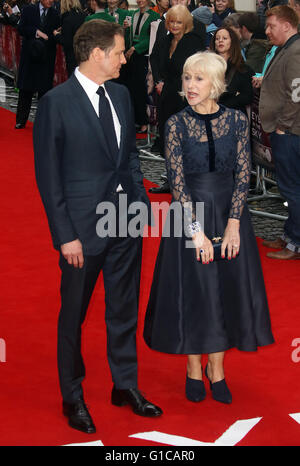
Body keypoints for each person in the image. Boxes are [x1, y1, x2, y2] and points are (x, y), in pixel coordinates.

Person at [33, 19, 162, 434]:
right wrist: (64, 235)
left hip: (126, 222)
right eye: (121, 52)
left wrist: (140, 205)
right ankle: (73, 395)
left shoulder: (122, 95)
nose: (126, 59)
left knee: (123, 310)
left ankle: (125, 385)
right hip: (82, 232)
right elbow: (48, 177)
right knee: (73, 315)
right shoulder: (56, 102)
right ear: (97, 54)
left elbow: (129, 158)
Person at [144, 51, 274, 404]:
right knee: (196, 292)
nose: (190, 85)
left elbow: (242, 175)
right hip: (190, 214)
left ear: (216, 83)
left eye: (198, 79)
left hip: (231, 214)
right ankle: (192, 367)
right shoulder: (176, 124)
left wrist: (233, 224)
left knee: (224, 292)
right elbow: (178, 181)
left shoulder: (235, 120)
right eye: (187, 78)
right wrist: (196, 231)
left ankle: (216, 370)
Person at [148, 5, 206, 194]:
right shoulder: (165, 41)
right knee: (168, 137)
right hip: (167, 96)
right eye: (171, 21)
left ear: (186, 23)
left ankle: (188, 182)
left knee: (185, 139)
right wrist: (158, 80)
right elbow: (154, 59)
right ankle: (171, 180)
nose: (174, 25)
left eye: (179, 22)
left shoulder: (193, 41)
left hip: (185, 98)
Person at [259, 5, 300, 259]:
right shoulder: (286, 48)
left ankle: (295, 243)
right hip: (285, 132)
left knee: (292, 188)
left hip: (291, 133)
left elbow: (297, 95)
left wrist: (283, 126)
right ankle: (289, 233)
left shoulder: (295, 51)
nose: (267, 31)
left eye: (271, 26)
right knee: (288, 188)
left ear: (286, 25)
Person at [14, 0, 60, 129]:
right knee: (25, 90)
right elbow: (21, 28)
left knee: (44, 91)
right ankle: (21, 120)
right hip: (30, 55)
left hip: (46, 58)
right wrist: (36, 32)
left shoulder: (55, 14)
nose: (51, 1)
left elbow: (55, 34)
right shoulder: (29, 9)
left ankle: (42, 122)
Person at [210, 26, 254, 114]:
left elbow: (247, 97)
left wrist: (222, 106)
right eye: (217, 38)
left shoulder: (243, 69)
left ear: (232, 42)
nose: (220, 41)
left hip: (233, 116)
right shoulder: (206, 66)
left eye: (225, 38)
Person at [53, 0, 86, 77]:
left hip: (72, 56)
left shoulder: (67, 18)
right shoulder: (83, 15)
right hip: (83, 53)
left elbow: (66, 41)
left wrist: (56, 35)